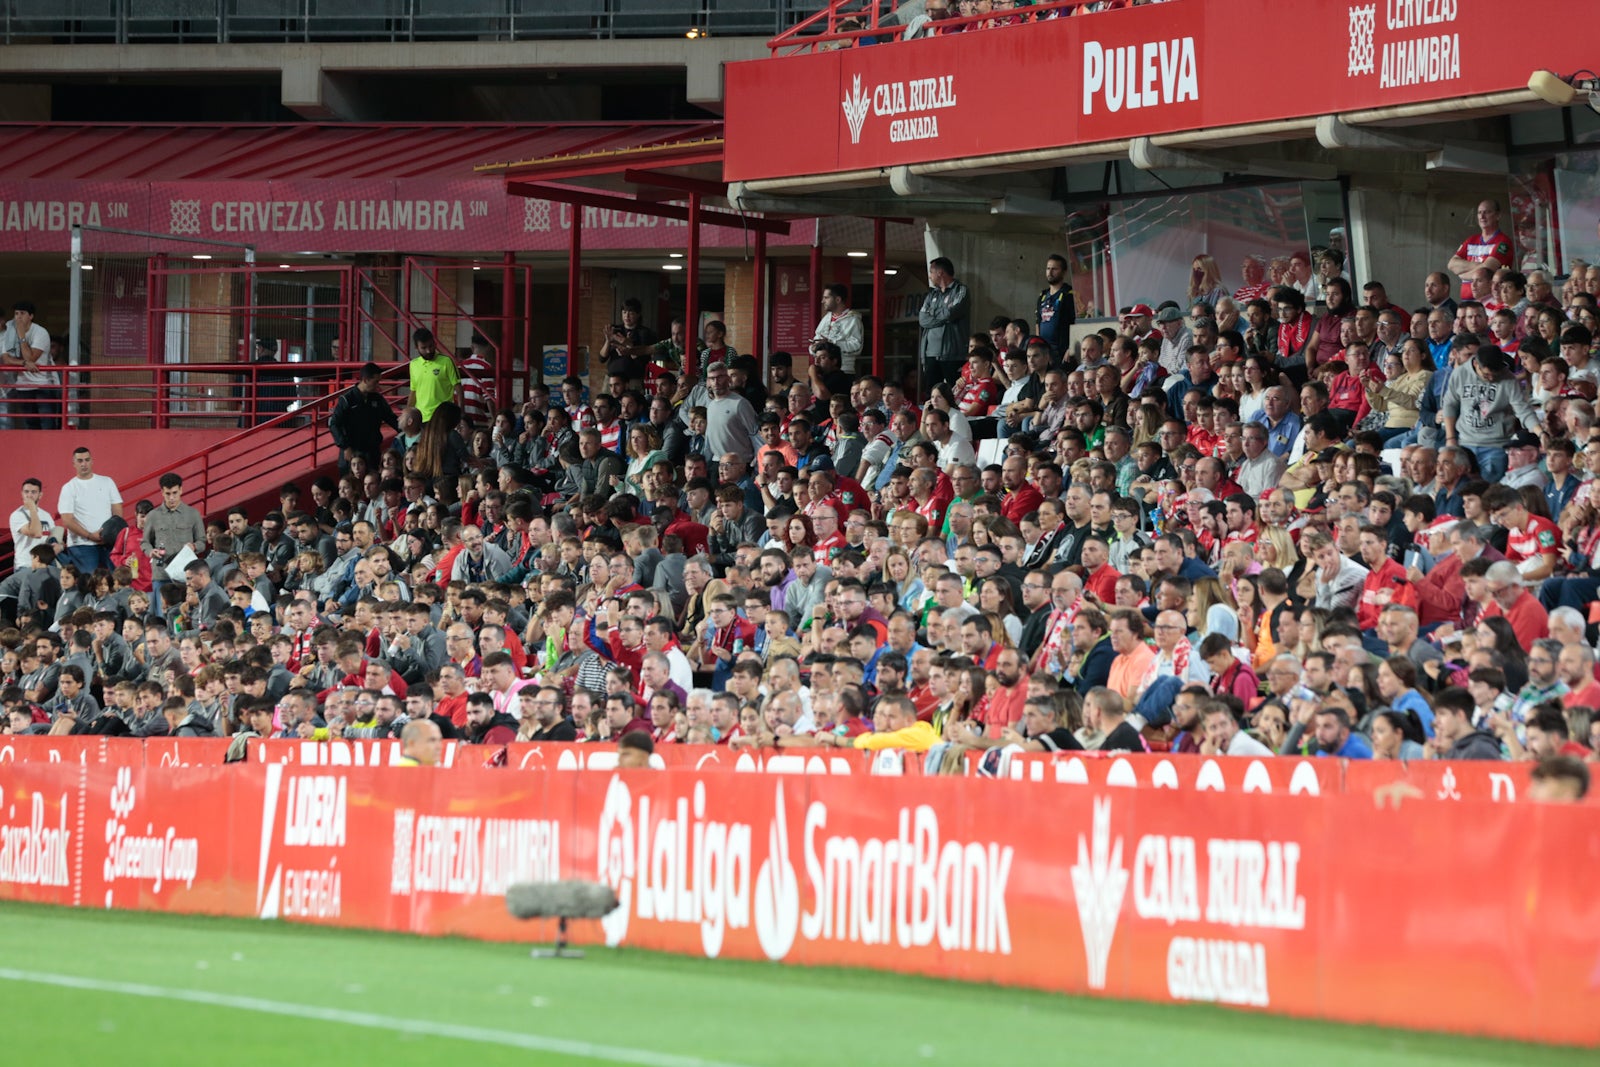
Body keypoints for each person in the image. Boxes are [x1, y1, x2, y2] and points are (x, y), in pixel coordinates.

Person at [56, 446, 123, 574]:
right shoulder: (69, 488)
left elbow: (117, 511)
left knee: (117, 579)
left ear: (92, 461)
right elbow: (67, 520)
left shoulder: (107, 482)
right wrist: (89, 536)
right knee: (90, 583)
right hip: (82, 545)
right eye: (80, 461)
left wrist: (110, 534)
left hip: (108, 542)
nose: (84, 464)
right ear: (74, 464)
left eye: (87, 460)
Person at [329, 362, 400, 471]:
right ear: (366, 380)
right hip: (352, 451)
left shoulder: (378, 399)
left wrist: (407, 431)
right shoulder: (347, 400)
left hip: (372, 451)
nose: (378, 385)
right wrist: (345, 447)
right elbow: (334, 424)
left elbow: (390, 418)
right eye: (376, 382)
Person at [0, 301, 57, 429]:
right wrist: (24, 363)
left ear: (31, 316)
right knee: (30, 425)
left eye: (22, 313)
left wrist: (21, 335)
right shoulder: (9, 333)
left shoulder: (40, 332)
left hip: (44, 384)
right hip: (23, 385)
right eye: (16, 314)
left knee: (48, 425)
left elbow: (30, 357)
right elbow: (7, 359)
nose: (18, 317)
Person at [918, 256, 971, 392]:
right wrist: (944, 316)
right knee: (932, 393)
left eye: (931, 272)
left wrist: (934, 313)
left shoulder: (960, 290)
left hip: (953, 354)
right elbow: (923, 319)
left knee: (955, 393)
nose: (929, 276)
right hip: (930, 354)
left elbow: (951, 313)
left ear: (940, 273)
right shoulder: (931, 295)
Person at [407, 327, 461, 424]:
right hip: (422, 418)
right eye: (423, 348)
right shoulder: (413, 365)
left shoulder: (446, 361)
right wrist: (407, 414)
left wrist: (461, 415)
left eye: (431, 346)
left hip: (443, 418)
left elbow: (458, 388)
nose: (428, 350)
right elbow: (413, 391)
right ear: (416, 348)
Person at [813, 284, 864, 373]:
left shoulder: (853, 320)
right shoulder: (826, 318)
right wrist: (814, 347)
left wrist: (832, 343)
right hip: (822, 370)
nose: (822, 301)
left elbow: (857, 347)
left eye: (826, 298)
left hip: (844, 370)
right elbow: (817, 338)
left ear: (838, 300)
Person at [1202, 700, 1274, 756]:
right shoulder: (1216, 750)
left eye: (1223, 724)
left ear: (1234, 726)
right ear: (1206, 735)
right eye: (1213, 728)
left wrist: (1209, 758)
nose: (1220, 732)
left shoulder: (1240, 745)